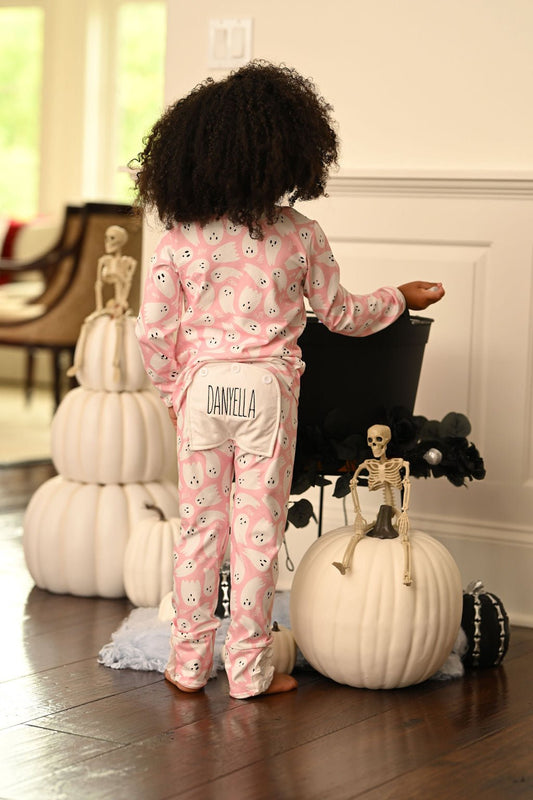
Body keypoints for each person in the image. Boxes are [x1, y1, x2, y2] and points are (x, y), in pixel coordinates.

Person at [133, 60, 444, 699]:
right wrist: (400, 297)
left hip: (202, 391)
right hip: (267, 396)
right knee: (256, 535)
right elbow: (343, 315)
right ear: (286, 155)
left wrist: (172, 393)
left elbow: (154, 333)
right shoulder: (300, 235)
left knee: (199, 529)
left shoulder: (178, 239)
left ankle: (188, 665)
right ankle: (248, 672)